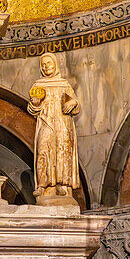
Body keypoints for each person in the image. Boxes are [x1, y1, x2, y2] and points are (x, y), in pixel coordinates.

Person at [27, 52, 80, 203]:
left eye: (49, 63)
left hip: (63, 123)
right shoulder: (38, 85)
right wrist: (36, 103)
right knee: (43, 149)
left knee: (62, 151)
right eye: (43, 64)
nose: (46, 66)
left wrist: (73, 103)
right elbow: (32, 109)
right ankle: (43, 185)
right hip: (46, 122)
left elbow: (74, 102)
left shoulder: (64, 84)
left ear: (55, 64)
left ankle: (62, 184)